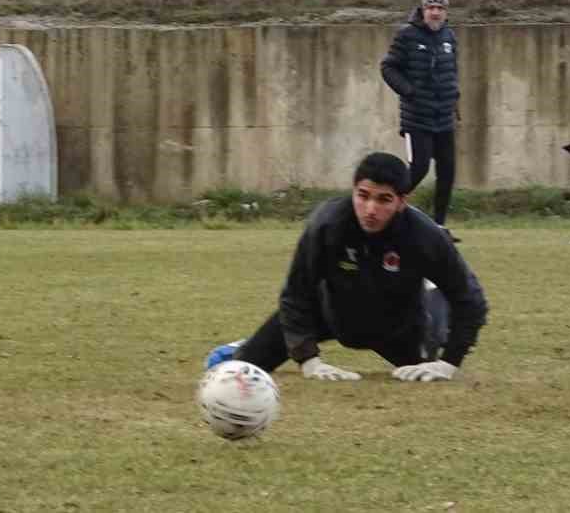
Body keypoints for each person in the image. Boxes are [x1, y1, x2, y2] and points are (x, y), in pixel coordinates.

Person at [204, 153, 487, 384]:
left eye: (383, 199)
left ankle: (430, 300)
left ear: (402, 201)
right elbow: (295, 293)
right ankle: (240, 349)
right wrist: (309, 361)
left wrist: (449, 363)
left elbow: (471, 300)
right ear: (353, 192)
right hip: (330, 313)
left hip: (399, 326)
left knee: (425, 375)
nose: (370, 209)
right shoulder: (327, 225)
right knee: (239, 371)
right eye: (363, 195)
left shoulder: (425, 236)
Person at [381, 0, 461, 238]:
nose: (435, 13)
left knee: (448, 170)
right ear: (423, 10)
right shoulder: (407, 35)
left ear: (445, 12)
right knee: (419, 168)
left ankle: (438, 226)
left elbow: (452, 71)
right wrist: (409, 91)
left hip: (444, 117)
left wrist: (454, 97)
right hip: (418, 118)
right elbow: (387, 67)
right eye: (430, 8)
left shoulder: (450, 37)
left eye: (439, 9)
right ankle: (387, 211)